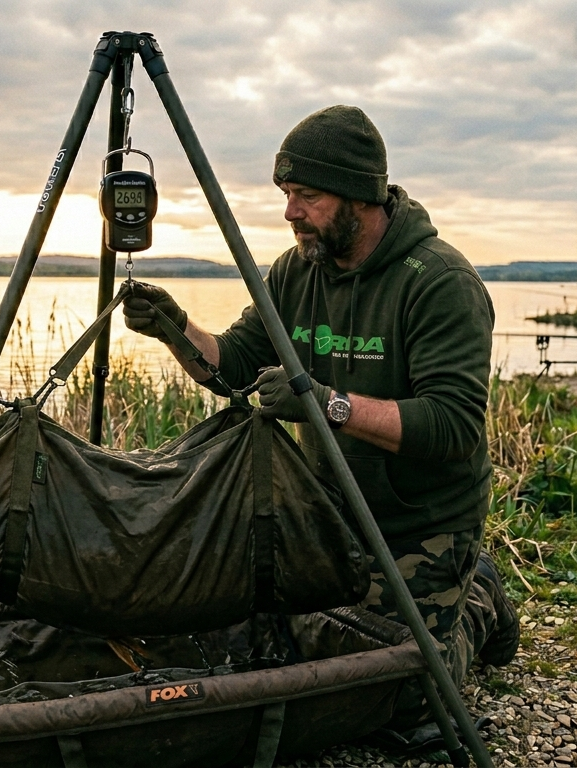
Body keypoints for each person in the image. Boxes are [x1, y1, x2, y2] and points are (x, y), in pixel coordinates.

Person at [122, 105, 519, 734]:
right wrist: (175, 330)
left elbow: (452, 427)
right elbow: (236, 367)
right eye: (286, 194)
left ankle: (477, 601)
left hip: (422, 521)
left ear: (359, 196)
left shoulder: (441, 282)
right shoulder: (294, 273)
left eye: (306, 195)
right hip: (328, 513)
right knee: (267, 644)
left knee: (405, 703)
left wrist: (325, 404)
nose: (290, 212)